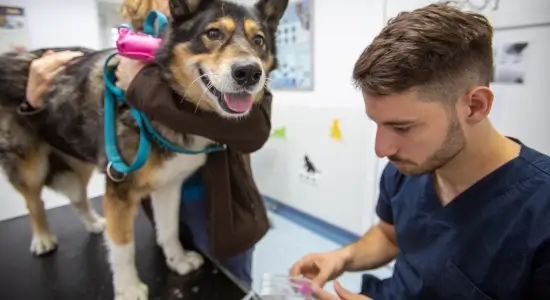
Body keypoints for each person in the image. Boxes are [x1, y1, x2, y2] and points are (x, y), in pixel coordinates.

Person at [290, 3, 550, 300]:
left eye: (403, 127)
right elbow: (390, 235)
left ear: (475, 106)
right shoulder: (406, 170)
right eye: (377, 123)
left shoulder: (540, 212)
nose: (382, 149)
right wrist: (342, 258)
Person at [19, 0, 272, 289]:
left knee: (227, 285)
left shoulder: (223, 40)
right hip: (155, 209)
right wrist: (33, 106)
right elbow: (110, 180)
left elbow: (256, 130)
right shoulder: (124, 62)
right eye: (214, 33)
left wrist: (139, 86)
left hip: (224, 219)